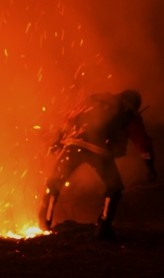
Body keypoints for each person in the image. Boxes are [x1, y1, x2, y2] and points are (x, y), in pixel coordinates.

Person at [38, 90, 156, 239]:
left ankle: (44, 221)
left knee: (55, 181)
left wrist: (60, 140)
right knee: (115, 188)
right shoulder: (130, 111)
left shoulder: (95, 98)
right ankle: (103, 227)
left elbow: (70, 118)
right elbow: (142, 142)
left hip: (73, 143)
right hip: (98, 150)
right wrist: (150, 165)